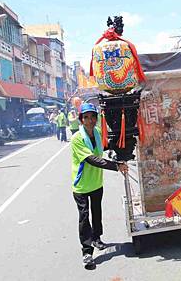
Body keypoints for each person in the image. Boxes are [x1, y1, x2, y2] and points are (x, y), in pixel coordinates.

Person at [71, 103, 128, 269]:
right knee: (84, 216)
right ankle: (87, 251)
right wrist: (116, 165)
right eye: (86, 117)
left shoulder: (97, 132)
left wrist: (120, 149)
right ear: (81, 120)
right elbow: (92, 159)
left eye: (92, 117)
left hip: (96, 183)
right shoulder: (77, 139)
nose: (90, 120)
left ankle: (96, 238)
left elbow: (105, 145)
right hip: (81, 185)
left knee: (97, 213)